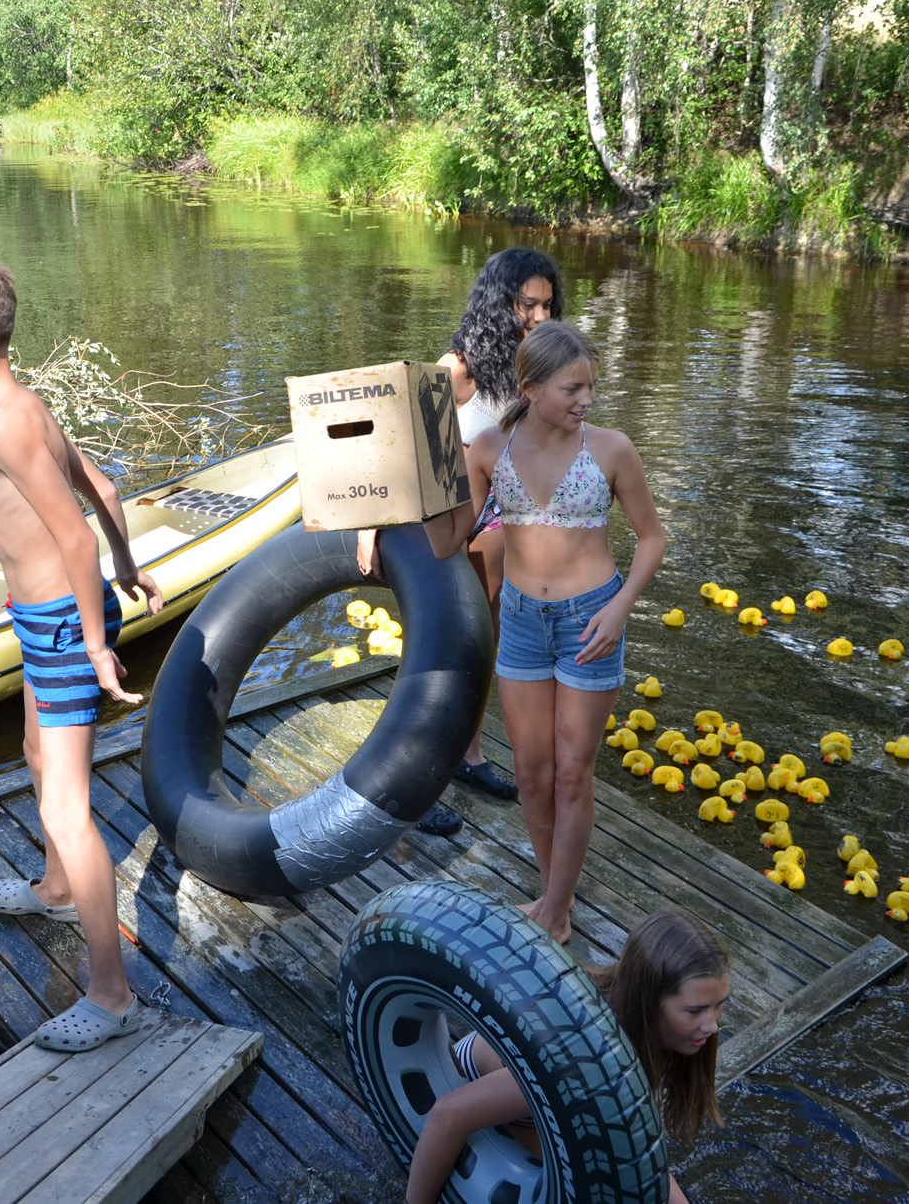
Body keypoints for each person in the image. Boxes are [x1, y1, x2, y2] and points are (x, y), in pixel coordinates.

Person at [0, 257, 165, 1053]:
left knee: (67, 805)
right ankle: (57, 886)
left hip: (64, 623)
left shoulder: (4, 419)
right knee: (33, 751)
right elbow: (102, 486)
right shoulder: (18, 403)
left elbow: (73, 531)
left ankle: (111, 993)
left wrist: (95, 640)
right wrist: (129, 567)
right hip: (41, 614)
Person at [426, 321, 665, 944]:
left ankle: (557, 912)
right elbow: (449, 540)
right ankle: (551, 891)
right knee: (531, 771)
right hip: (523, 624)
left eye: (590, 386)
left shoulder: (611, 449)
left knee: (570, 772)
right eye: (572, 388)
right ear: (530, 388)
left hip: (592, 619)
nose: (586, 399)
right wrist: (421, 484)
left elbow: (652, 539)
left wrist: (620, 611)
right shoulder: (487, 451)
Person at [360, 247, 564, 830]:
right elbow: (395, 442)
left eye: (549, 305)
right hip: (443, 528)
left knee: (484, 645)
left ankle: (468, 757)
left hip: (498, 523)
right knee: (436, 651)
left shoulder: (526, 368)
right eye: (530, 305)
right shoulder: (456, 369)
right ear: (501, 303)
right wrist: (373, 523)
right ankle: (409, 782)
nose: (542, 317)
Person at [402, 908, 730, 1204]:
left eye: (719, 1004)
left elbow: (636, 1145)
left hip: (544, 1118)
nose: (712, 1024)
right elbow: (448, 1116)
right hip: (475, 1101)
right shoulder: (574, 1056)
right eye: (695, 1010)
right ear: (647, 1002)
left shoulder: (652, 1037)